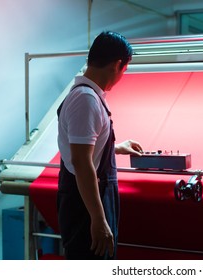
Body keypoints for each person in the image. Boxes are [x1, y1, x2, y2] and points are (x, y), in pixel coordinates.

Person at [57, 31, 143, 260]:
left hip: (84, 200)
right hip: (84, 207)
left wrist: (115, 146)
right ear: (117, 65)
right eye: (125, 69)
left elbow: (82, 147)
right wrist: (98, 218)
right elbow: (81, 162)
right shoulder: (86, 100)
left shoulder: (87, 96)